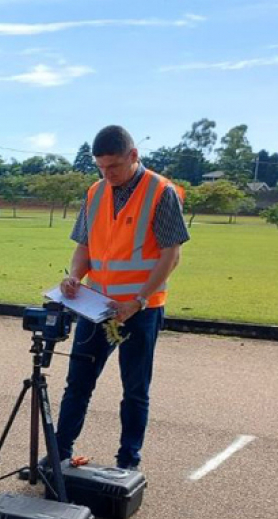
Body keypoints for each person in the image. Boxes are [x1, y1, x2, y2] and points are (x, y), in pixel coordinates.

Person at [55, 125, 189, 470]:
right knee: (77, 384)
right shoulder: (95, 192)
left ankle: (127, 462)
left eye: (113, 166)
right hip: (96, 305)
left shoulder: (161, 192)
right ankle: (59, 454)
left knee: (134, 389)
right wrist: (74, 276)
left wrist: (139, 301)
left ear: (133, 156)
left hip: (140, 310)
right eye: (101, 167)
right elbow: (83, 246)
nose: (107, 174)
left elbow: (170, 255)